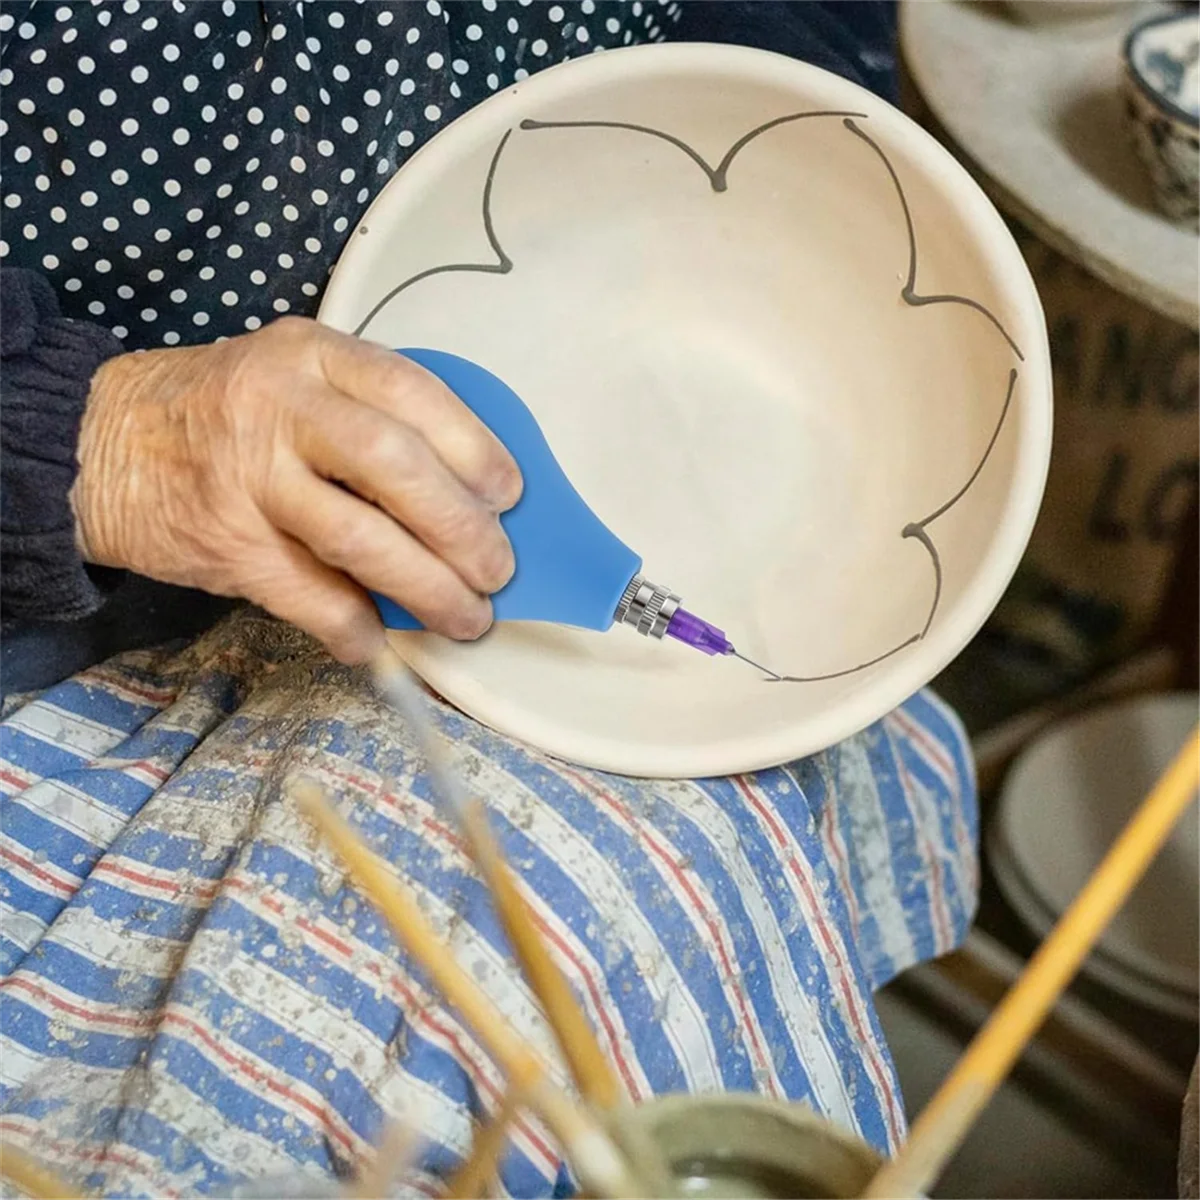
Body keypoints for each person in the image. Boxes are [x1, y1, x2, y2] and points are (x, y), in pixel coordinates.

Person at [0, 3, 976, 1196]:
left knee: (680, 887)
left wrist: (766, 178)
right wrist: (98, 437)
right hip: (59, 587)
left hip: (524, 443)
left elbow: (791, 47)